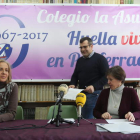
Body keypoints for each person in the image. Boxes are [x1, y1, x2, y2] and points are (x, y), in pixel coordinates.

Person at [69, 37, 109, 119]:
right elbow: (75, 75)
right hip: (81, 93)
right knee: (82, 118)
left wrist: (94, 86)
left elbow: (106, 77)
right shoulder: (80, 60)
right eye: (81, 47)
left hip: (94, 94)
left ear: (91, 46)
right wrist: (72, 84)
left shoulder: (100, 59)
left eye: (85, 47)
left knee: (87, 120)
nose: (83, 49)